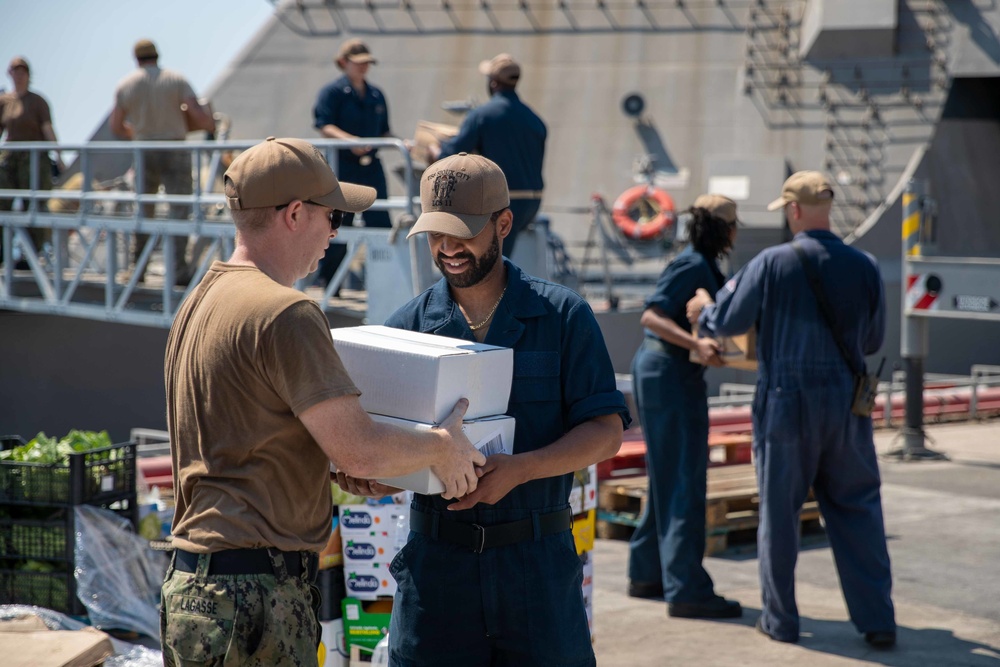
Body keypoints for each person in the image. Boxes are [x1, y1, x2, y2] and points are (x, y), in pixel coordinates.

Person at [160, 137, 486, 666]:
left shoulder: (200, 300)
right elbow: (359, 450)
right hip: (257, 594)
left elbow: (242, 437)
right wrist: (441, 447)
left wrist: (326, 469)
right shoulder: (286, 312)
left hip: (196, 586)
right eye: (331, 217)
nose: (335, 234)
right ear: (293, 214)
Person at [337, 152, 628, 666]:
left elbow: (605, 432)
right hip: (438, 574)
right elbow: (390, 444)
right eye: (435, 235)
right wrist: (378, 476)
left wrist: (522, 470)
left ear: (504, 224)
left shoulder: (562, 317)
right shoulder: (406, 328)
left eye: (463, 233)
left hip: (536, 566)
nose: (448, 248)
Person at [687, 171, 896, 648]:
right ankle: (878, 621)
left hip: (786, 402)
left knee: (780, 516)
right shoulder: (864, 264)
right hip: (847, 403)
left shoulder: (772, 262)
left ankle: (781, 622)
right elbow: (874, 339)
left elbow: (728, 321)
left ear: (795, 211)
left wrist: (705, 306)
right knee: (859, 509)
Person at [626, 194, 743, 620]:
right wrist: (696, 343)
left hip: (666, 373)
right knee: (684, 482)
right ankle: (687, 589)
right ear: (725, 230)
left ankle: (647, 574)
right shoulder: (695, 265)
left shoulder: (700, 263)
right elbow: (652, 316)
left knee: (667, 477)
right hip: (670, 375)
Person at [111, 39, 215, 285]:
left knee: (143, 209)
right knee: (180, 210)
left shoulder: (126, 84)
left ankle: (138, 271)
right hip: (174, 147)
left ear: (136, 58)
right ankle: (178, 271)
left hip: (144, 150)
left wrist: (136, 134)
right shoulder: (176, 79)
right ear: (157, 55)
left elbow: (116, 125)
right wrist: (209, 123)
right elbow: (199, 116)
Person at [431, 53, 546, 258]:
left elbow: (452, 154)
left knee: (490, 266)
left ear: (493, 83)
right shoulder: (534, 119)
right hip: (531, 205)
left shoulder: (482, 116)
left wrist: (434, 151)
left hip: (502, 205)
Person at [313, 38, 392, 287]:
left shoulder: (377, 94)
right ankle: (330, 284)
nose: (363, 67)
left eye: (366, 63)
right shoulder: (332, 93)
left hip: (371, 168)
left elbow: (385, 131)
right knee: (337, 224)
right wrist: (351, 141)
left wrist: (405, 144)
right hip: (342, 167)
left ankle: (384, 283)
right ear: (343, 63)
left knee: (380, 222)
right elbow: (324, 125)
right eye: (358, 63)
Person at [0, 56, 64, 263]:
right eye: (15, 72)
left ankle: (31, 256)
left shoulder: (37, 101)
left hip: (34, 161)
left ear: (28, 75)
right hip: (10, 159)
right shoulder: (5, 102)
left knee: (35, 205)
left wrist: (59, 156)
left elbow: (48, 129)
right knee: (3, 203)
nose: (18, 76)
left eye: (22, 72)